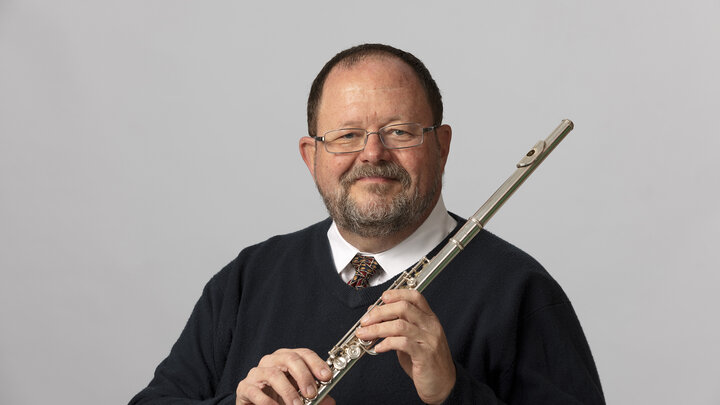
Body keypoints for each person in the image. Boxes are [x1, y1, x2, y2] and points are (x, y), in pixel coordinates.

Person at [130, 44, 604, 405]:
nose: (372, 154)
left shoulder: (521, 291)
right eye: (347, 136)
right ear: (310, 156)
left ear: (441, 146)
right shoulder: (249, 278)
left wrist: (453, 393)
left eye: (398, 131)